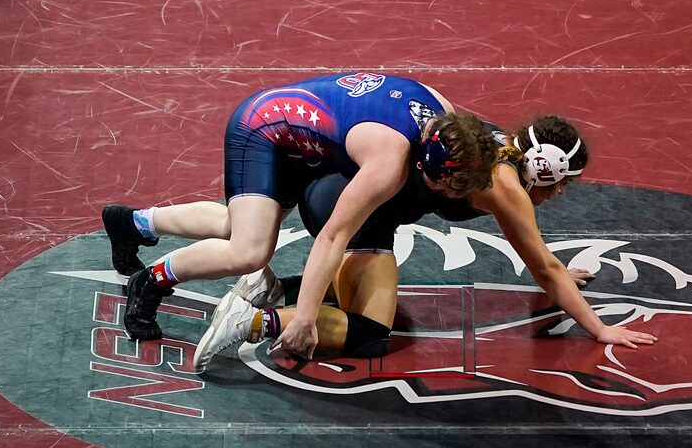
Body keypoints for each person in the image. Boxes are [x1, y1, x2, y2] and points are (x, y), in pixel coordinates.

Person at [191, 113, 658, 372]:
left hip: (348, 190)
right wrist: (599, 329)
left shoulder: (493, 143)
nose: (560, 194)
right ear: (549, 173)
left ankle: (272, 289)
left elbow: (542, 259)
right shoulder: (508, 187)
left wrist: (558, 273)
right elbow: (544, 269)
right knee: (371, 332)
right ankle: (256, 320)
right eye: (564, 184)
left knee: (364, 294)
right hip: (357, 209)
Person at [102, 72, 498, 361]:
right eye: (446, 188)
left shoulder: (444, 120)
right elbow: (332, 238)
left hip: (304, 137)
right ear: (427, 168)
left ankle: (133, 224)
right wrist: (306, 319)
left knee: (234, 224)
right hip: (266, 129)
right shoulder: (388, 165)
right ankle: (149, 281)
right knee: (249, 251)